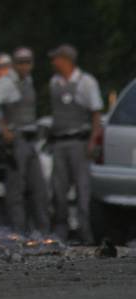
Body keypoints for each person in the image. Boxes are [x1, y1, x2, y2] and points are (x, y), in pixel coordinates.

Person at [0, 48, 50, 233]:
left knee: (38, 189)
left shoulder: (28, 81)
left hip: (31, 140)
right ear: (14, 64)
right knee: (16, 190)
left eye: (28, 62)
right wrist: (3, 127)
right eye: (21, 62)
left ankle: (42, 232)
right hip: (17, 140)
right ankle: (19, 233)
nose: (25, 66)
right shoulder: (7, 83)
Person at [47, 44, 103, 245]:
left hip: (79, 142)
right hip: (60, 142)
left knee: (82, 190)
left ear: (66, 60)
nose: (53, 62)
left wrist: (92, 142)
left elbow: (96, 113)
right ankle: (61, 232)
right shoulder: (54, 82)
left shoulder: (85, 82)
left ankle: (85, 234)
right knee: (58, 190)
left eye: (56, 58)